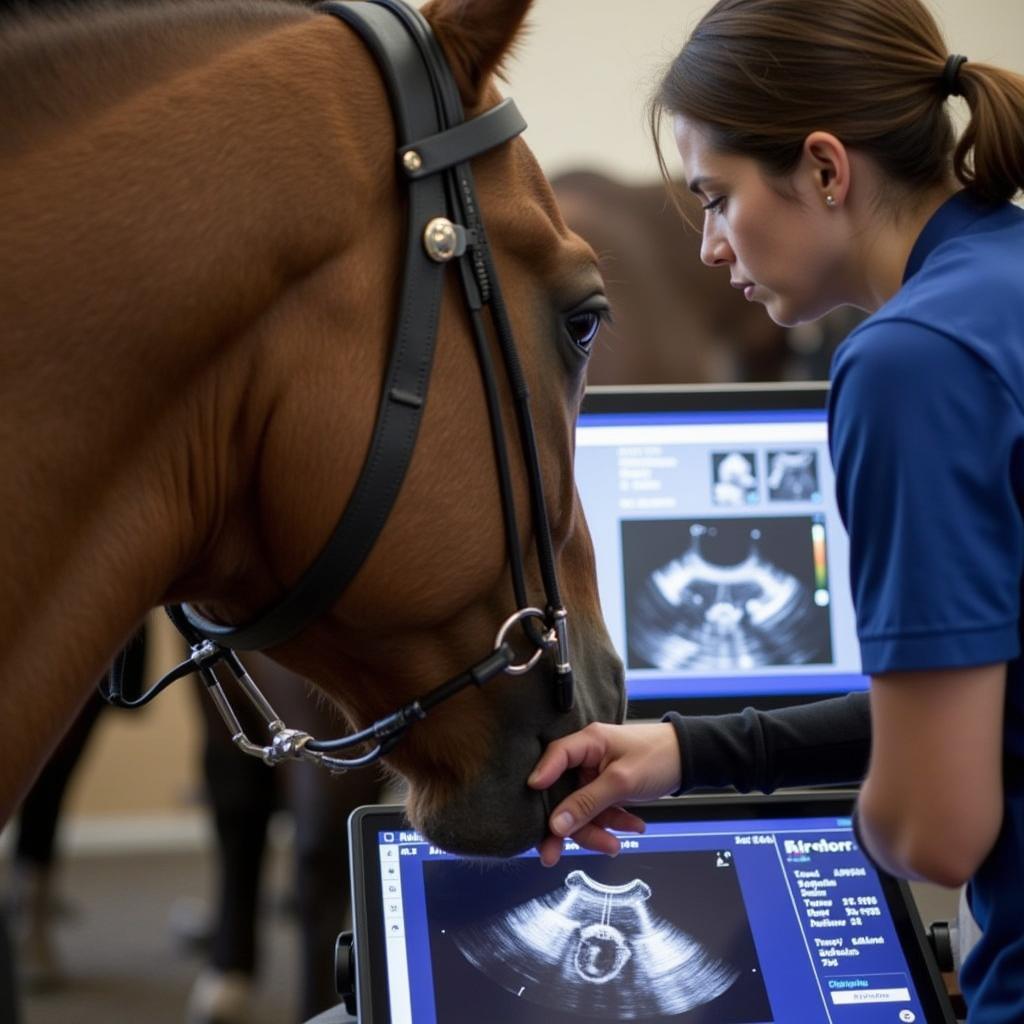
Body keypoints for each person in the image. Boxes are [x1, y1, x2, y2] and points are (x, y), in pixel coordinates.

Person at [528, 1, 1024, 1021]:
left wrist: (794, 866)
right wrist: (694, 752)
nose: (710, 246)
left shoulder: (910, 364)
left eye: (715, 197)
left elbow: (933, 832)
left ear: (825, 169)